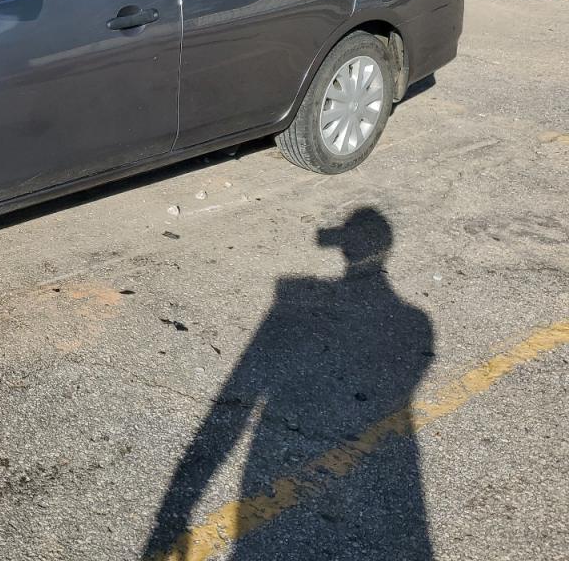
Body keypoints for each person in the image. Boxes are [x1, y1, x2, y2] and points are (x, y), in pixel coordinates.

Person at [142, 208, 435, 560]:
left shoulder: (295, 298)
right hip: (395, 471)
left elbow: (240, 395)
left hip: (276, 455)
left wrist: (174, 511)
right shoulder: (416, 322)